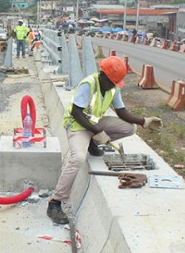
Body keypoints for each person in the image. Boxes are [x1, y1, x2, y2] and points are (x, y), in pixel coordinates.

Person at [46, 56, 162, 224]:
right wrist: (96, 131)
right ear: (103, 75)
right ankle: (55, 202)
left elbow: (121, 111)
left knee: (130, 128)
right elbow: (76, 113)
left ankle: (92, 143)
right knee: (78, 158)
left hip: (95, 124)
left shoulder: (113, 87)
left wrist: (143, 121)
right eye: (112, 81)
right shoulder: (89, 84)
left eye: (116, 82)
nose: (114, 85)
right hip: (78, 126)